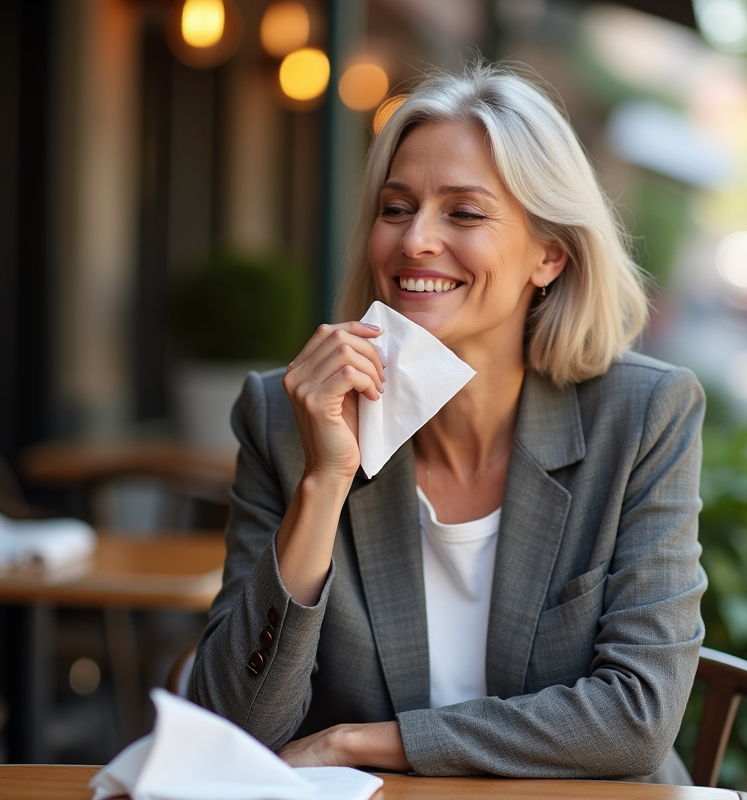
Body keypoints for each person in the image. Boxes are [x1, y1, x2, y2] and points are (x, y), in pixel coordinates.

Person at [188, 63, 706, 781]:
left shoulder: (644, 415)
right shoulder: (286, 416)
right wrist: (323, 484)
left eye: (463, 213)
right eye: (396, 209)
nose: (415, 242)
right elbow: (232, 730)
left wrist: (353, 743)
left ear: (549, 255)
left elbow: (636, 718)